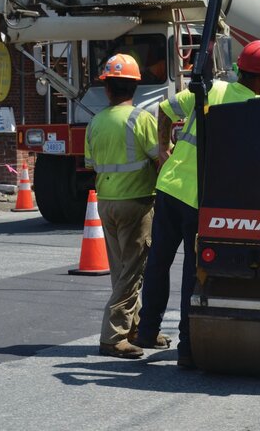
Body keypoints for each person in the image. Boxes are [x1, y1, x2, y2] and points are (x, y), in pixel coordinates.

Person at [135, 39, 260, 368]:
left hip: (170, 187)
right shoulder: (257, 111)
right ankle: (186, 347)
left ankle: (147, 331)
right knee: (192, 271)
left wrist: (162, 150)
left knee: (158, 262)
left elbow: (164, 109)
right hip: (201, 201)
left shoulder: (211, 89)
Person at [84, 54, 160, 359]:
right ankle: (112, 336)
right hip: (137, 203)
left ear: (107, 89)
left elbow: (92, 164)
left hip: (107, 204)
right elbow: (160, 158)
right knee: (132, 273)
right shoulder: (141, 119)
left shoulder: (96, 121)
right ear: (135, 87)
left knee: (121, 270)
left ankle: (136, 329)